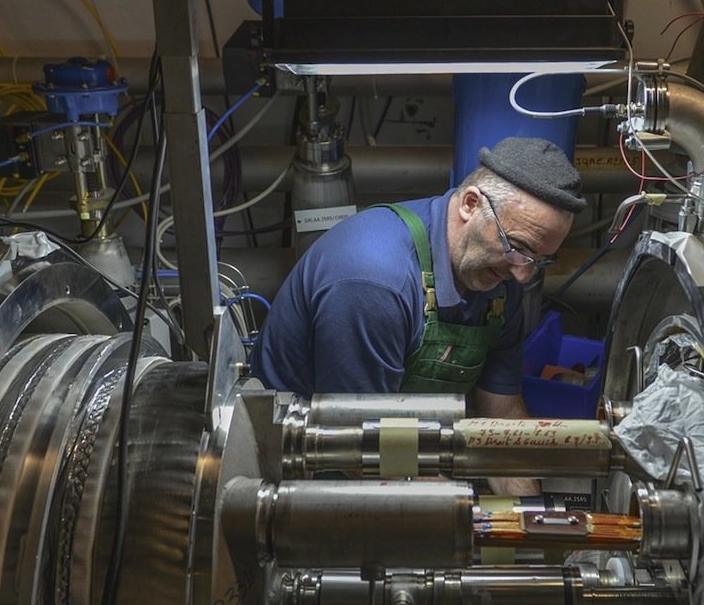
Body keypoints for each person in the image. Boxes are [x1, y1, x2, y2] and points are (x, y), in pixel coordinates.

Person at [249, 136, 584, 493]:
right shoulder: (375, 280)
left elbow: (501, 418)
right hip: (307, 477)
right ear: (470, 205)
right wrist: (462, 519)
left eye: (539, 259)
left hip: (405, 458)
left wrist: (528, 523)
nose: (523, 274)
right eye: (518, 249)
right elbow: (359, 450)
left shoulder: (501, 279)